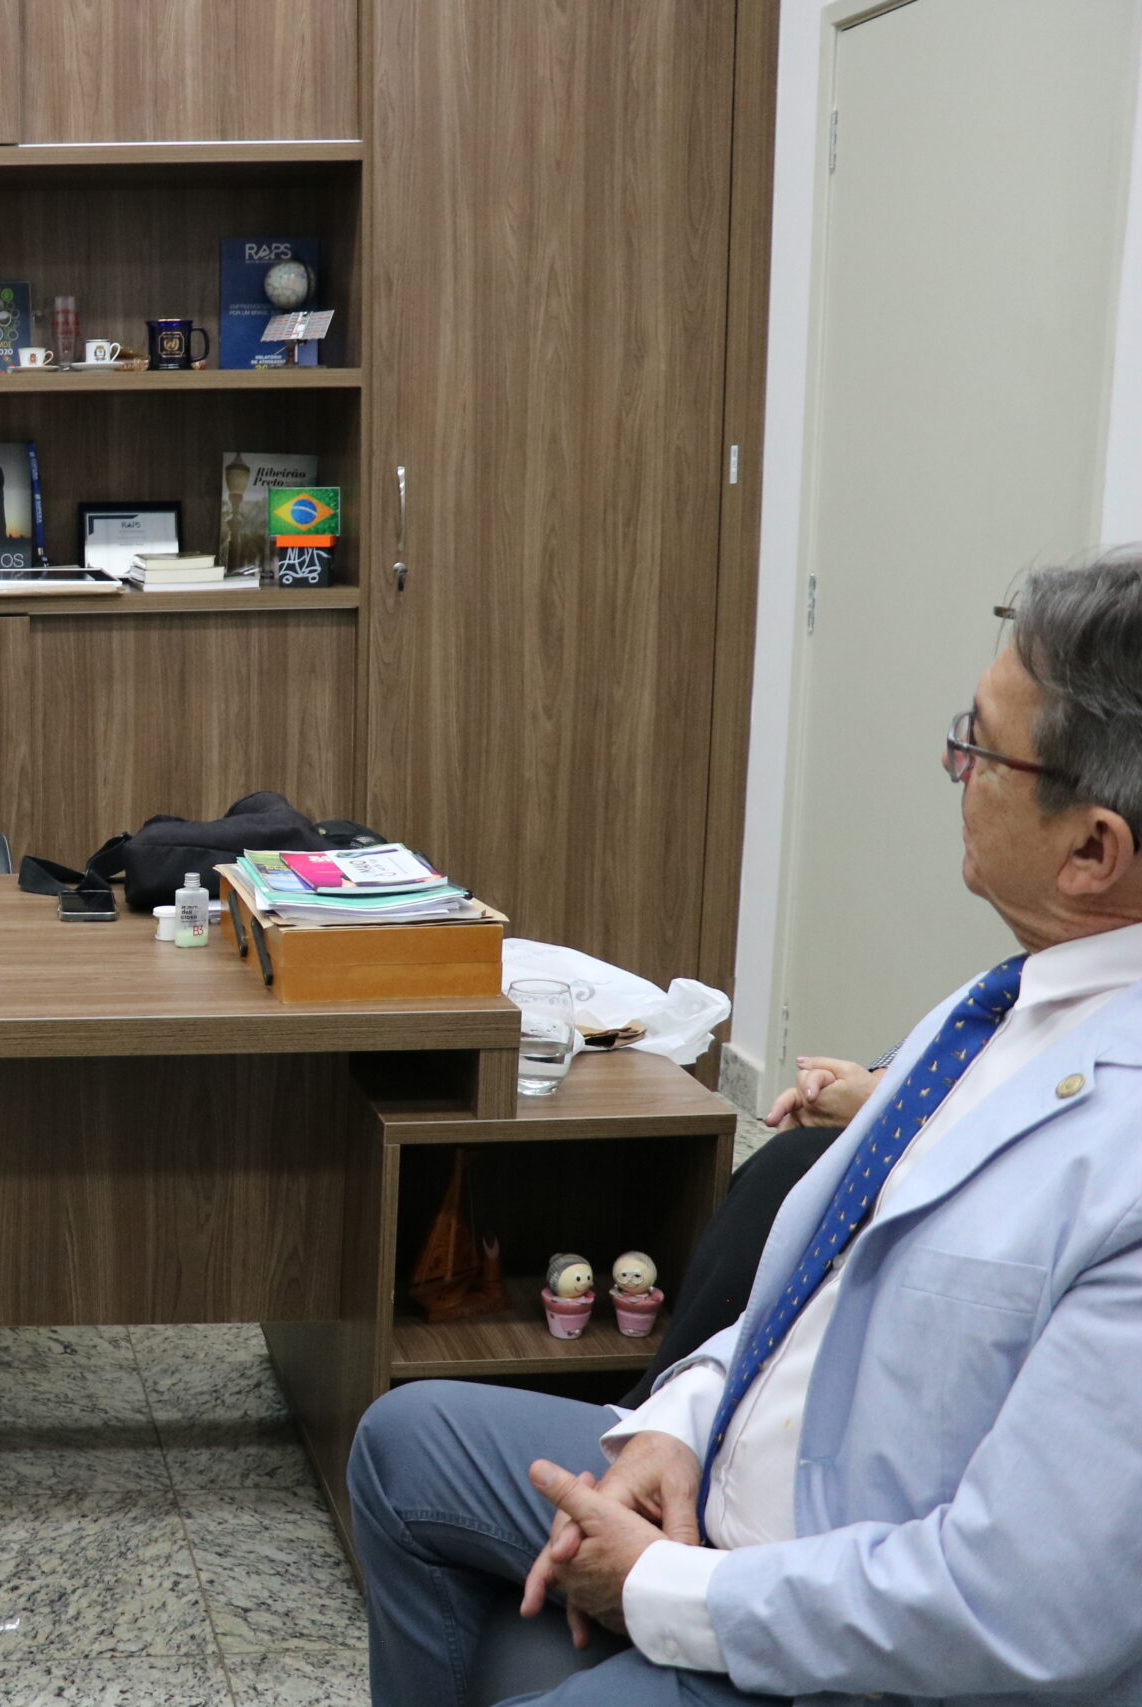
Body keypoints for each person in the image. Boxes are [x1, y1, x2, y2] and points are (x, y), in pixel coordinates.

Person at [348, 552, 1142, 1706]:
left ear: (1091, 853)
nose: (948, 766)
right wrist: (671, 1425)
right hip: (728, 1490)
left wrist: (666, 1591)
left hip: (844, 1630)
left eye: (978, 745)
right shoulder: (1005, 1007)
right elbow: (808, 1311)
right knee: (402, 1444)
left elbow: (1017, 1609)